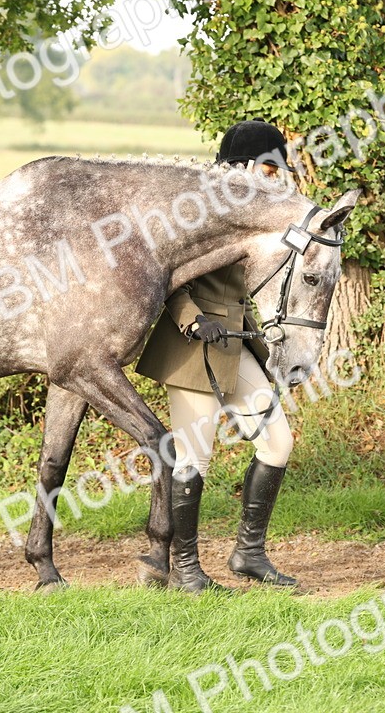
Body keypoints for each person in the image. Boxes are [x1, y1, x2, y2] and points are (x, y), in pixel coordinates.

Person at [135, 120, 300, 593]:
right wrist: (190, 318)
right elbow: (163, 272)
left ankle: (249, 553)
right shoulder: (194, 208)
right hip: (192, 344)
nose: (275, 177)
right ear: (242, 166)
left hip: (236, 338)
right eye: (269, 168)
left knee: (278, 441)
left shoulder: (256, 210)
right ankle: (185, 569)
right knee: (194, 457)